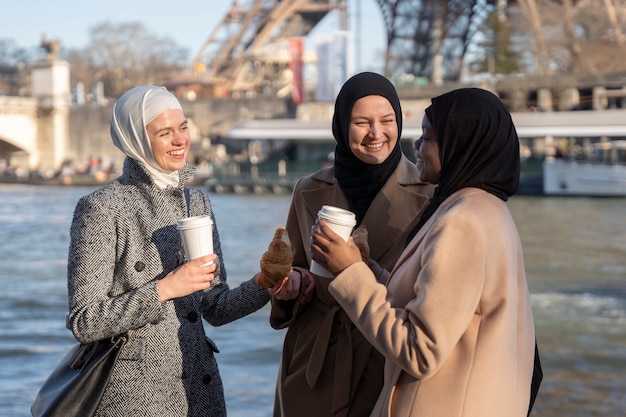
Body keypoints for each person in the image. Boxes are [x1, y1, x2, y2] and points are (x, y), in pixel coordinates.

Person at [66, 85, 295, 416]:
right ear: (136, 140)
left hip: (198, 390)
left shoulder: (197, 201)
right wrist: (165, 289)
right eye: (165, 133)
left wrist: (266, 283)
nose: (180, 140)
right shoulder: (101, 208)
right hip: (133, 401)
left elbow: (215, 308)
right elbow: (84, 321)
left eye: (183, 127)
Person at [310, 88, 537, 416]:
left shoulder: (462, 221)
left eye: (427, 138)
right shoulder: (488, 209)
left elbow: (421, 350)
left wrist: (349, 274)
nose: (416, 147)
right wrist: (365, 268)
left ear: (459, 146)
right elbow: (437, 304)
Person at [270, 72, 435, 417]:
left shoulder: (430, 192)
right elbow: (294, 266)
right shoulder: (307, 190)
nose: (376, 134)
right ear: (342, 126)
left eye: (387, 121)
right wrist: (292, 284)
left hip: (385, 353)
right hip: (315, 358)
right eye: (362, 122)